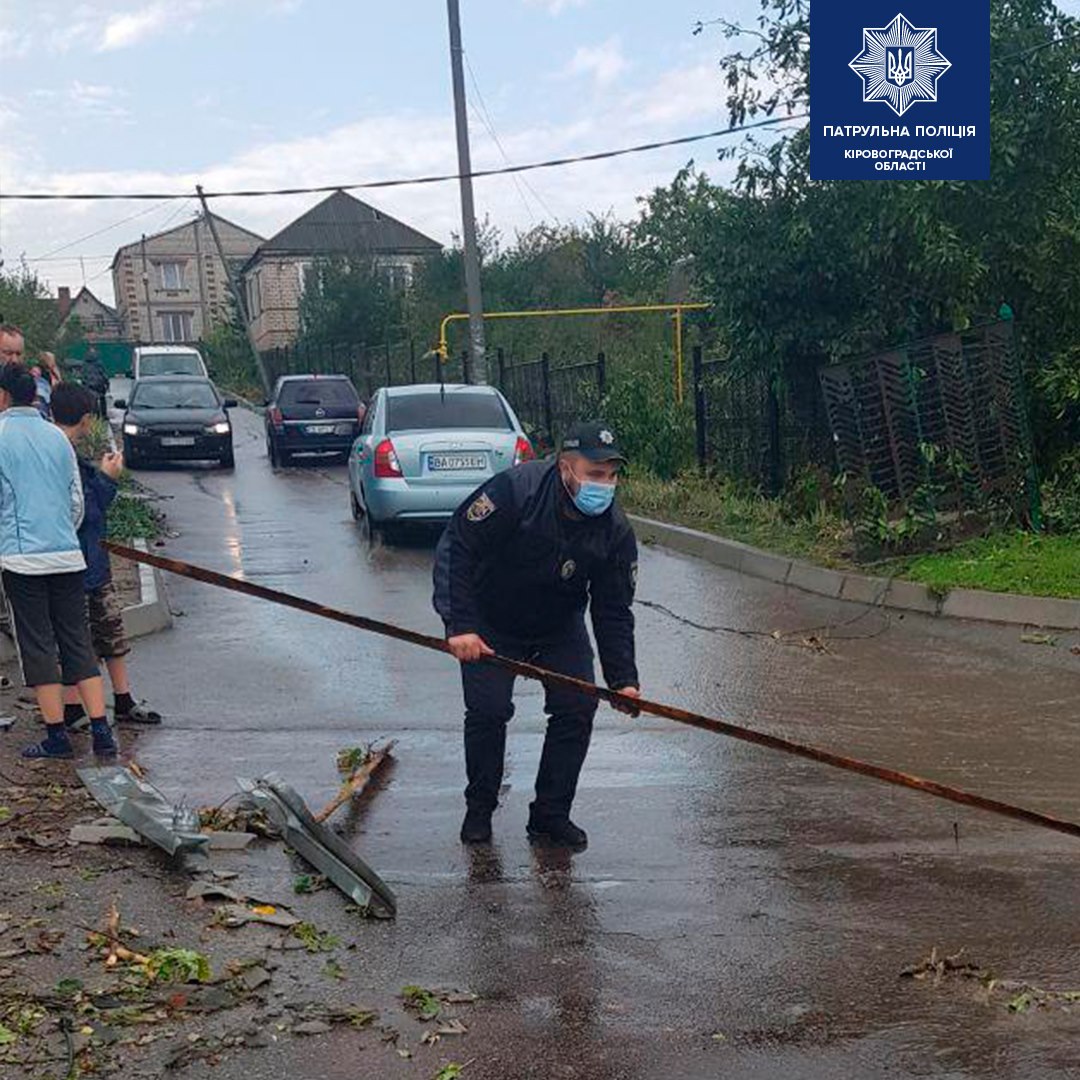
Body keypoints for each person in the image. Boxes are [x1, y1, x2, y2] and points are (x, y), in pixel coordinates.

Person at [433, 420, 641, 851]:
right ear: (566, 468)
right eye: (594, 473)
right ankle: (480, 807)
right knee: (489, 711)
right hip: (490, 619)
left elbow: (613, 608)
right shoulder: (516, 491)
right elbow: (459, 547)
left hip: (557, 624)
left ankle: (550, 814)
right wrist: (460, 626)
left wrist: (623, 679)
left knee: (577, 705)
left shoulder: (614, 531)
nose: (604, 484)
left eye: (611, 475)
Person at [0, 363, 117, 759]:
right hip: (67, 554)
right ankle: (102, 731)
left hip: (21, 560)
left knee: (37, 646)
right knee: (77, 641)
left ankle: (57, 736)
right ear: (35, 395)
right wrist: (60, 532)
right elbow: (76, 502)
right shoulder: (56, 437)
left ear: (2, 396)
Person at [51, 384, 161, 730]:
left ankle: (123, 699)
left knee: (110, 631)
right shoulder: (61, 456)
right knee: (76, 638)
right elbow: (86, 511)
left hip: (92, 564)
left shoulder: (67, 453)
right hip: (74, 564)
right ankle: (73, 709)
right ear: (86, 420)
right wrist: (108, 478)